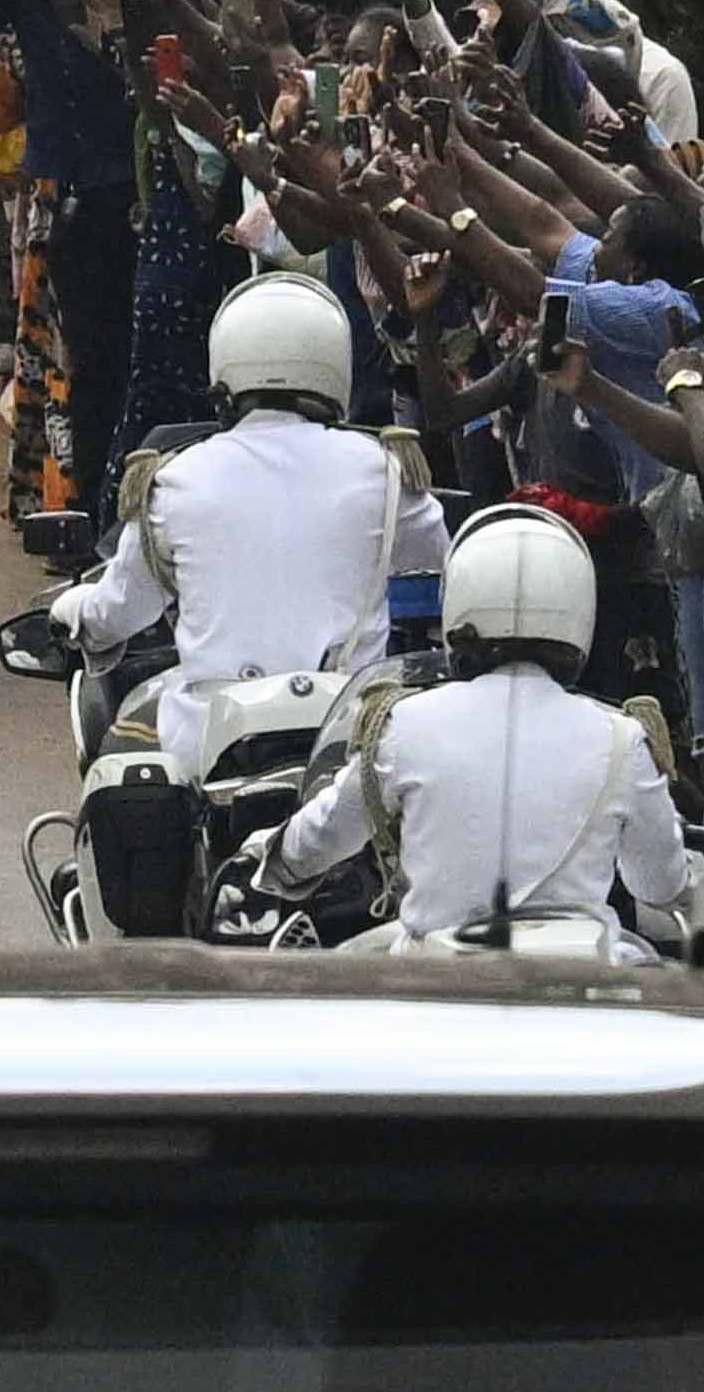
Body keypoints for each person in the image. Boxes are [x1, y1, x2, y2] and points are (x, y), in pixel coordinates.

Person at [40, 270, 441, 931]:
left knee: (124, 779)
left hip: (211, 744)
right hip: (346, 731)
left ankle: (140, 948)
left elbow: (118, 611)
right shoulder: (382, 468)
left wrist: (68, 612)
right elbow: (442, 557)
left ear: (225, 367)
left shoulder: (174, 478)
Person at [277, 505, 698, 943]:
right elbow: (659, 884)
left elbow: (321, 840)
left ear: (457, 605)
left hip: (437, 981)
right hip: (580, 982)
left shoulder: (405, 722)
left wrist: (272, 859)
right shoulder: (622, 736)